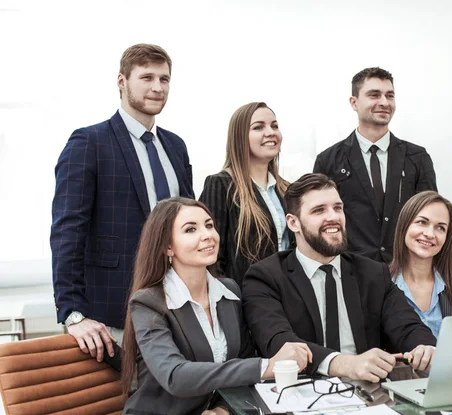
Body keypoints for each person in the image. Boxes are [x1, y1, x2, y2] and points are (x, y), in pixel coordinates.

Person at [50, 44, 194, 362]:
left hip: (177, 303)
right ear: (122, 81)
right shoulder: (89, 142)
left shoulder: (175, 147)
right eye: (147, 77)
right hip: (115, 310)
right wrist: (73, 313)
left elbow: (189, 226)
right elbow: (67, 231)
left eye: (164, 79)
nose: (157, 87)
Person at [122, 197, 311, 414]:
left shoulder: (229, 291)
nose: (207, 235)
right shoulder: (148, 302)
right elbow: (175, 375)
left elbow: (243, 362)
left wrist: (223, 409)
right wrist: (266, 366)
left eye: (209, 225)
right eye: (190, 229)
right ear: (168, 247)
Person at [243, 173, 437, 383]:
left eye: (338, 208)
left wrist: (425, 347)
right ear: (293, 223)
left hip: (369, 395)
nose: (333, 217)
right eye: (319, 210)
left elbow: (407, 326)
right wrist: (345, 364)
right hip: (300, 392)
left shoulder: (373, 273)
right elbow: (280, 342)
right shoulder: (265, 277)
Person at [313, 67, 437, 264]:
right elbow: (320, 222)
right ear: (354, 102)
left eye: (390, 96)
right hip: (351, 272)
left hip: (405, 269)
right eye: (374, 95)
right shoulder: (328, 161)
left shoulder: (417, 157)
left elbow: (431, 218)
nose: (384, 102)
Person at [200, 102, 292, 287]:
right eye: (258, 127)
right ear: (239, 137)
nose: (270, 132)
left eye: (274, 126)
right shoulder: (221, 185)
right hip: (245, 302)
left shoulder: (288, 190)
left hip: (289, 298)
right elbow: (212, 258)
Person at [390, 191, 452, 338]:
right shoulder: (380, 285)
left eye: (440, 228)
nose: (430, 234)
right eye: (422, 222)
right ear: (404, 225)